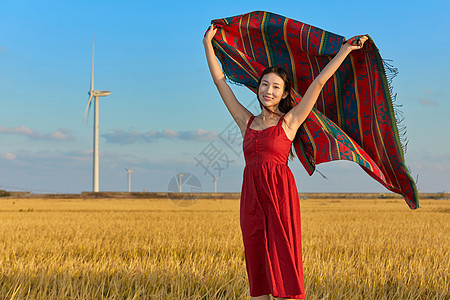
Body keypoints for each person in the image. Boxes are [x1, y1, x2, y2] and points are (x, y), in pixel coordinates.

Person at [203, 24, 367, 300]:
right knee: (257, 264)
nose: (268, 91)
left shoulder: (289, 122)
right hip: (252, 198)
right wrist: (208, 44)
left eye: (275, 87)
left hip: (279, 196)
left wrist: (344, 51)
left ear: (283, 93)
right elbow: (221, 82)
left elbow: (318, 84)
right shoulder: (247, 122)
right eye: (264, 85)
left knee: (282, 261)